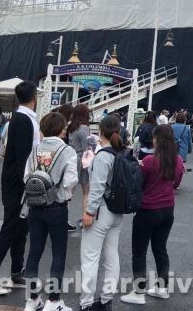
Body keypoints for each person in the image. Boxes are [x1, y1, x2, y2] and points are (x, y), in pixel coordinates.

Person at [0, 80, 40, 296]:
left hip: (17, 182)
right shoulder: (24, 119)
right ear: (35, 97)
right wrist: (27, 184)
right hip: (18, 184)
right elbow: (23, 156)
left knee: (21, 228)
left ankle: (17, 272)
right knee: (10, 227)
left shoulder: (21, 117)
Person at [121, 124, 184, 305]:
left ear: (157, 139)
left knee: (139, 251)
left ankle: (138, 291)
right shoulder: (178, 160)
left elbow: (138, 183)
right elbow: (176, 182)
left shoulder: (149, 160)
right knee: (160, 248)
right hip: (168, 209)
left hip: (148, 209)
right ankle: (162, 287)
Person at [22, 112, 78, 311]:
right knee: (59, 253)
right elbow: (71, 180)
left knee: (34, 252)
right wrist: (62, 193)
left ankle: (32, 299)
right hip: (57, 206)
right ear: (61, 129)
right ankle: (54, 301)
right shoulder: (67, 150)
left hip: (35, 205)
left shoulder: (35, 149)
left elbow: (26, 177)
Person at [80, 115, 125, 311]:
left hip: (101, 211)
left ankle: (86, 303)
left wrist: (89, 212)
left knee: (90, 257)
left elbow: (97, 187)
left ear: (101, 132)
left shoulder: (102, 156)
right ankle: (106, 300)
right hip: (118, 211)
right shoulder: (121, 154)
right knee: (112, 256)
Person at [67, 103, 93, 230]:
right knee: (86, 192)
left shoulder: (69, 127)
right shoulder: (84, 128)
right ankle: (84, 219)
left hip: (70, 159)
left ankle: (64, 220)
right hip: (81, 160)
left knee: (68, 192)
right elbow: (85, 148)